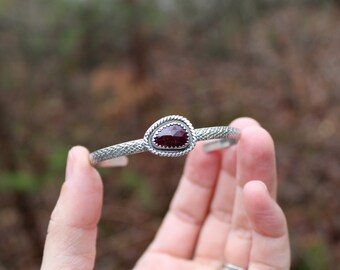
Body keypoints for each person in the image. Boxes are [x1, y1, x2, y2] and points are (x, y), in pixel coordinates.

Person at [41, 118, 290, 270]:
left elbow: (235, 137)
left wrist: (226, 140)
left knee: (246, 135)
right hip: (218, 141)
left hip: (224, 140)